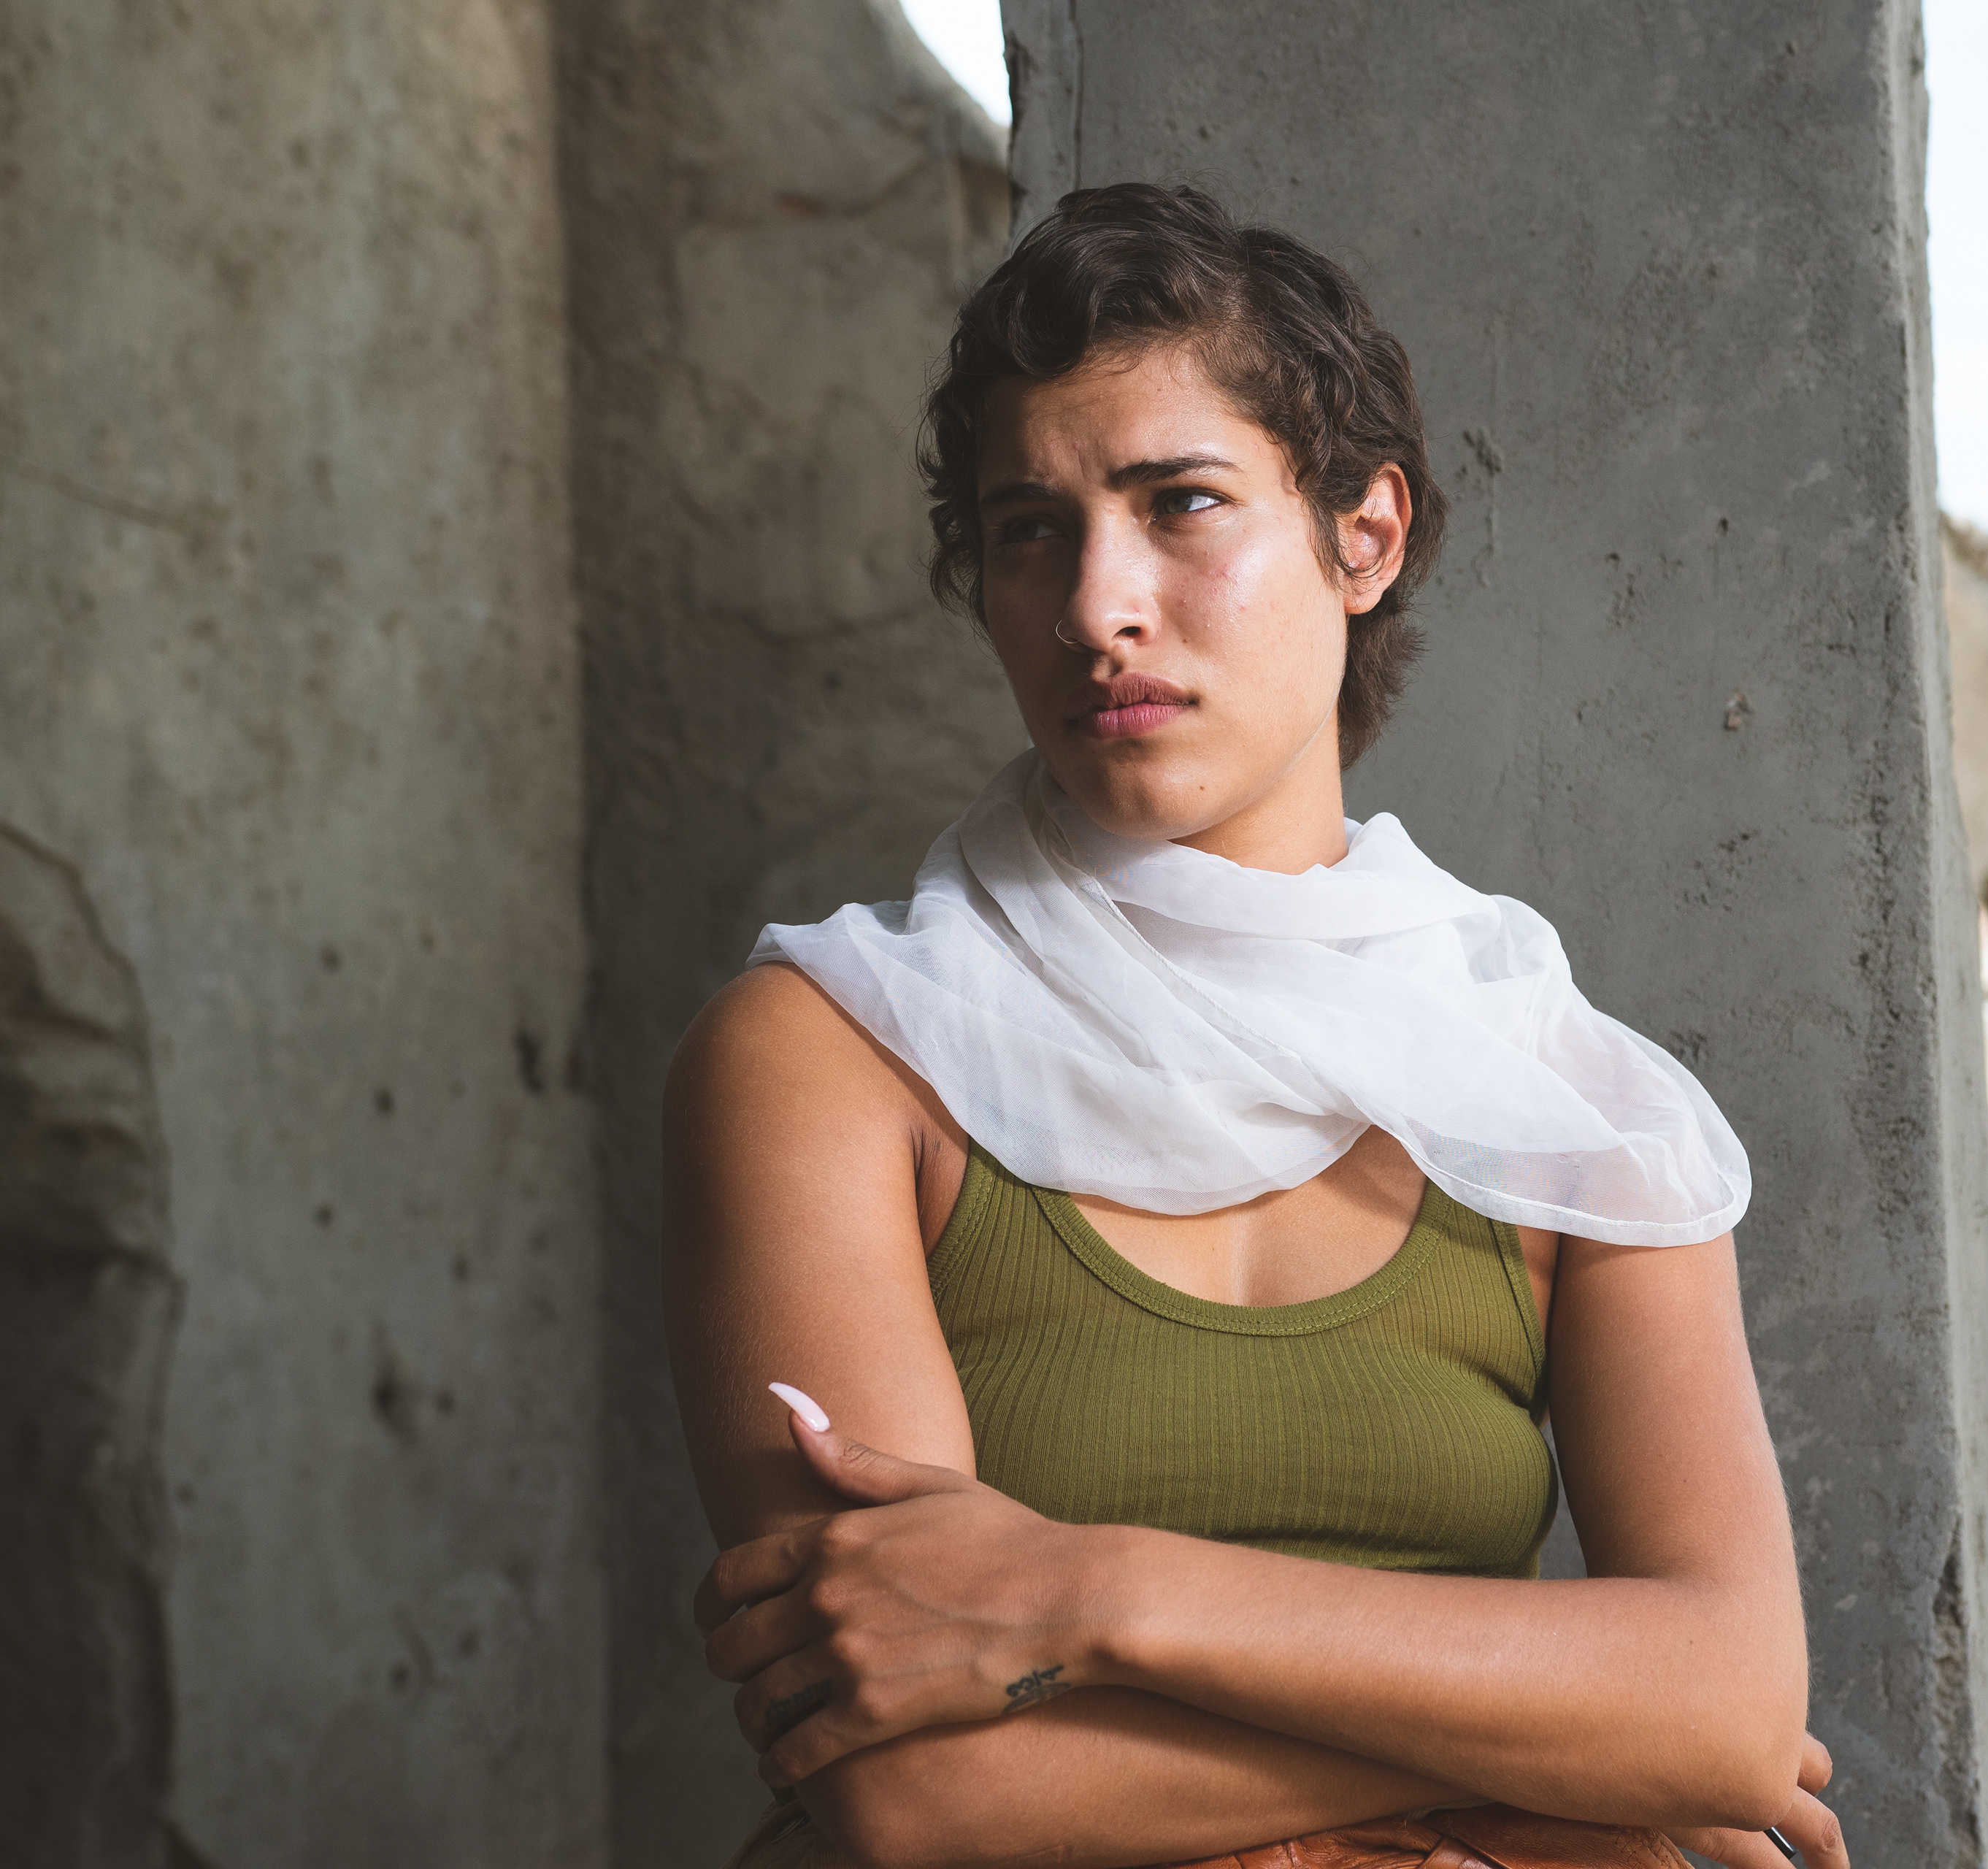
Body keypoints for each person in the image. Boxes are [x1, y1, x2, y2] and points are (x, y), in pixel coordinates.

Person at [662, 183, 1841, 1869]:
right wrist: (1564, 1755)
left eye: (1182, 503)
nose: (1097, 605)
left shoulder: (1562, 1094)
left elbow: (1723, 1701)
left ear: (1367, 535)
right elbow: (918, 1798)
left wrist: (1088, 1591)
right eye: (1029, 530)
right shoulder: (829, 1055)